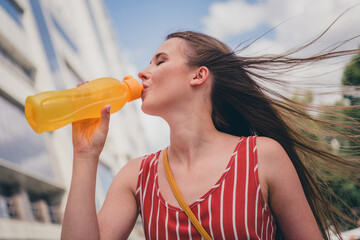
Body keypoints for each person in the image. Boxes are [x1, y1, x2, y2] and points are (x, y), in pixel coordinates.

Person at [61, 29, 359, 240]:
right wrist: (85, 156)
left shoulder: (262, 156)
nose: (142, 72)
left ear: (198, 75)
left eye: (159, 61)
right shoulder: (135, 176)